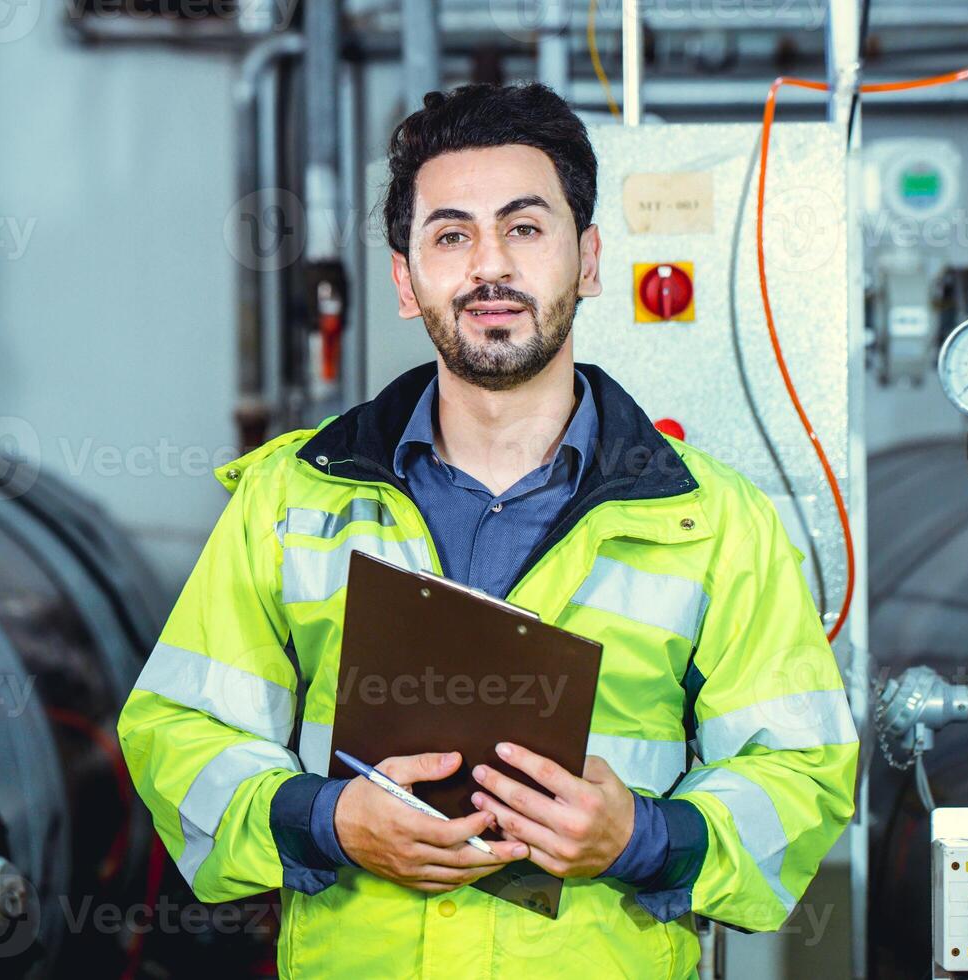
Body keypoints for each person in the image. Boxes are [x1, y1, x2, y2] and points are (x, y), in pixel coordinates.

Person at [118, 81, 858, 978]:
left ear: (587, 261)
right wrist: (330, 820)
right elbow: (177, 731)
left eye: (525, 227)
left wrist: (639, 835)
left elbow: (803, 772)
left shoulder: (713, 521)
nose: (489, 267)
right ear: (406, 279)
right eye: (452, 234)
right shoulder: (293, 500)